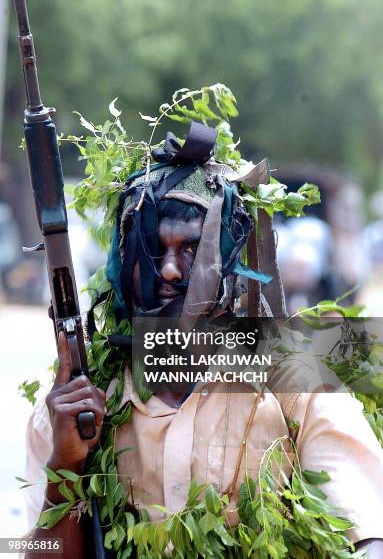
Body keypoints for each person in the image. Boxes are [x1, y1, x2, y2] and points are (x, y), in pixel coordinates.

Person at [23, 123, 383, 558]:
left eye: (193, 249)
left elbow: (365, 533)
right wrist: (66, 465)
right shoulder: (77, 404)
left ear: (232, 264)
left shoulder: (296, 384)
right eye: (153, 250)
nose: (171, 271)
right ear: (124, 259)